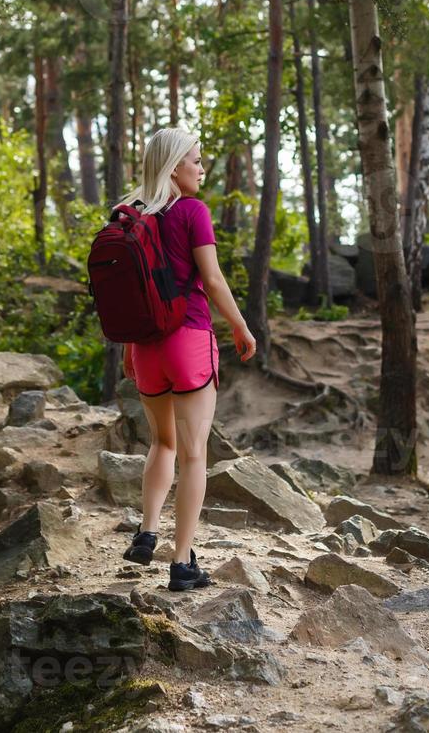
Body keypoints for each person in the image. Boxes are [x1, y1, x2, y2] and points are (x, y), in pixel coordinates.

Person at [116, 127, 256, 591]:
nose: (201, 168)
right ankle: (181, 563)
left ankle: (147, 531)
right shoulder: (192, 211)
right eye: (195, 160)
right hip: (188, 339)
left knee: (162, 443)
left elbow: (128, 294)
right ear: (175, 166)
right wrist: (239, 325)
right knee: (195, 454)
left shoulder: (129, 213)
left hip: (145, 346)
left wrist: (127, 348)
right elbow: (213, 280)